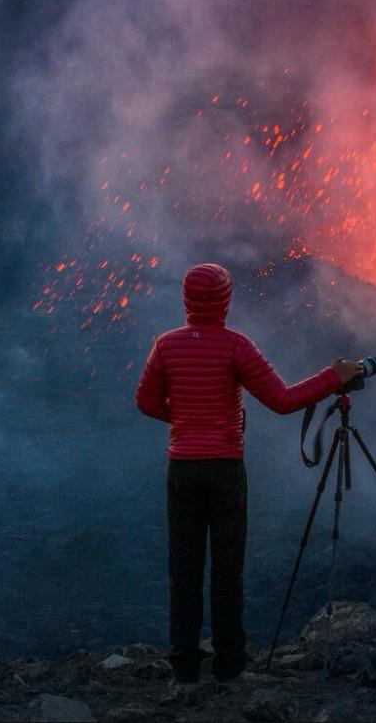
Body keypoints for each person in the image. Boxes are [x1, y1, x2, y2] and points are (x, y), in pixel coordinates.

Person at [135, 262, 363, 684]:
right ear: (226, 299)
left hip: (181, 470)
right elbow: (283, 399)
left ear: (185, 298)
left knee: (183, 570)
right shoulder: (236, 346)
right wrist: (335, 376)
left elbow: (146, 402)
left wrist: (186, 420)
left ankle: (184, 669)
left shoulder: (166, 345)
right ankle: (229, 668)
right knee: (227, 569)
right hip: (224, 470)